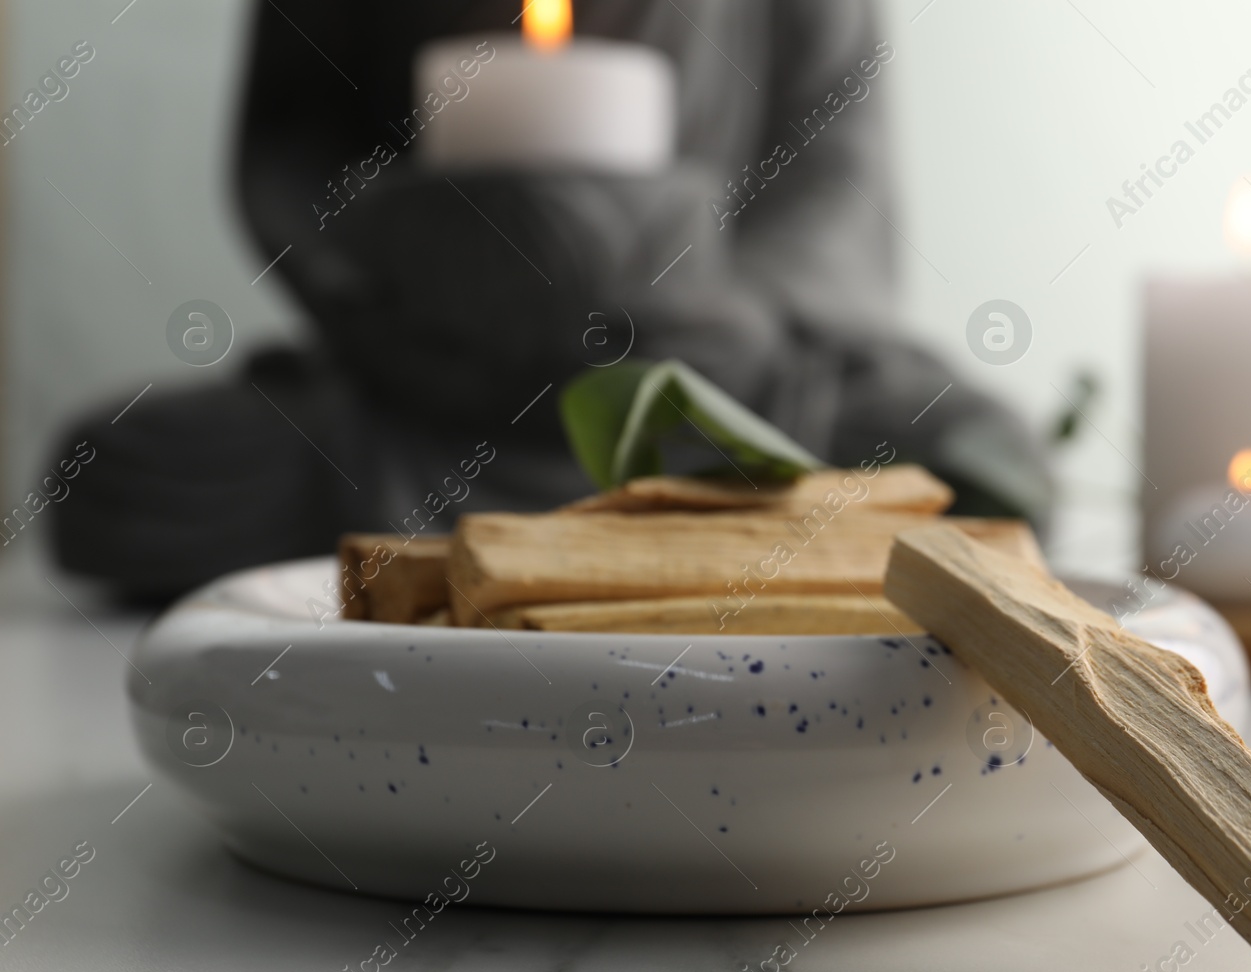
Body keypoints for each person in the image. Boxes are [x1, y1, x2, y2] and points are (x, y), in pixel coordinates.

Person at [49, 0, 1052, 601]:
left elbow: (834, 177)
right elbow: (290, 148)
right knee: (119, 470)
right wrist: (387, 281)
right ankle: (687, 536)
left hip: (705, 381)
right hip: (429, 383)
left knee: (965, 452)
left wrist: (726, 308)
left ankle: (593, 524)